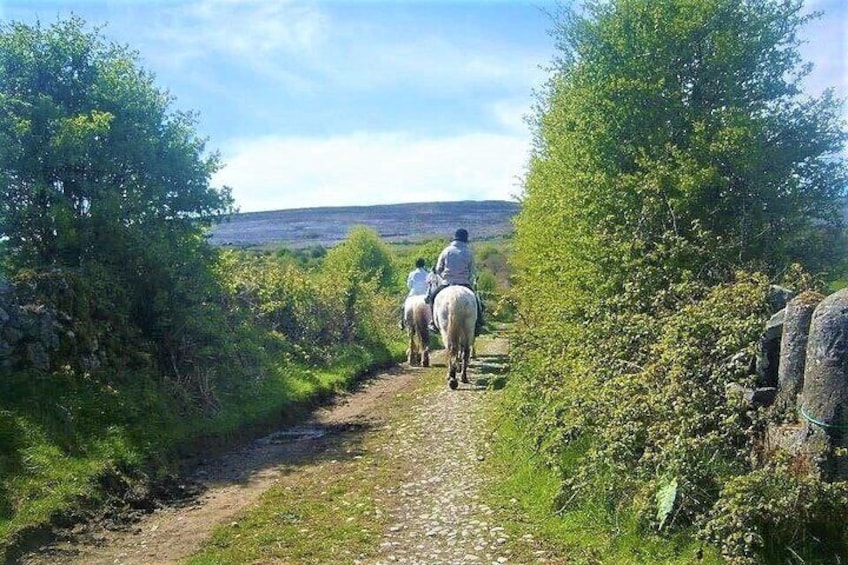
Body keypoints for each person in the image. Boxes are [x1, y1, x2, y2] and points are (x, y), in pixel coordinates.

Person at [426, 228, 484, 334]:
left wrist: (444, 276)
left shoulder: (446, 251)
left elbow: (438, 269)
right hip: (464, 283)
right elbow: (472, 272)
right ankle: (479, 322)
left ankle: (433, 323)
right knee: (476, 300)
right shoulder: (469, 252)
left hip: (447, 283)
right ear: (465, 239)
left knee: (433, 298)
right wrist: (468, 280)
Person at [399, 258, 429, 330]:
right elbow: (428, 285)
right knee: (432, 306)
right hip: (424, 294)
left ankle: (402, 322)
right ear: (424, 265)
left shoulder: (412, 274)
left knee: (403, 306)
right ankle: (433, 322)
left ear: (416, 265)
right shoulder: (427, 274)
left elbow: (409, 285)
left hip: (414, 293)